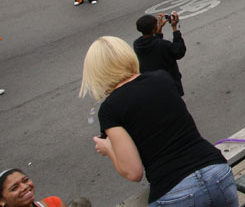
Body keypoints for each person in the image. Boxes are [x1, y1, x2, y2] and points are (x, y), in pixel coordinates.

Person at [79, 36, 236, 206]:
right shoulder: (162, 78)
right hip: (217, 171)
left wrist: (108, 148)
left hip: (174, 188)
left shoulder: (110, 108)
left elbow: (133, 172)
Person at [133, 12, 186, 96]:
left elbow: (152, 44)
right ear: (154, 29)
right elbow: (179, 51)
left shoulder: (137, 44)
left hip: (150, 85)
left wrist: (158, 32)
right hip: (167, 85)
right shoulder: (162, 45)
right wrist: (175, 28)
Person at [0, 168, 64, 207]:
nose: (24, 187)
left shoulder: (54, 203)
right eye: (14, 188)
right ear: (1, 201)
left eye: (25, 180)